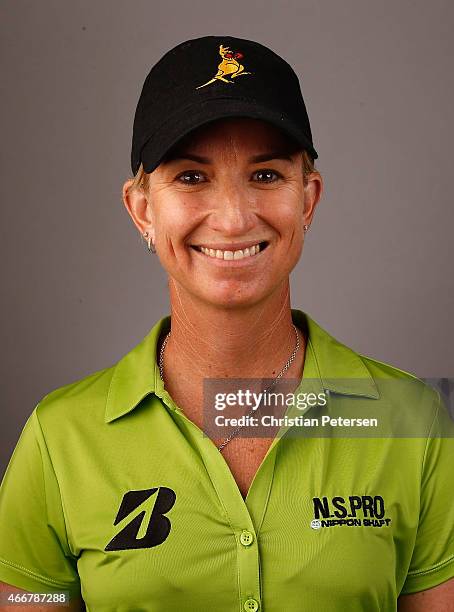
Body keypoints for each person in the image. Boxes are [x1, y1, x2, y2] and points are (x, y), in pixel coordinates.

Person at [0, 35, 453, 612]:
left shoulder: (411, 421)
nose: (234, 218)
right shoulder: (60, 440)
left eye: (266, 176)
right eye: (191, 177)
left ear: (307, 200)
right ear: (142, 209)